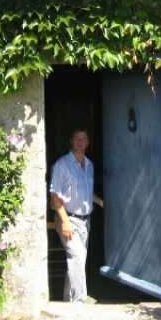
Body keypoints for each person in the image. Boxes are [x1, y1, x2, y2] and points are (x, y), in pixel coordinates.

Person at [50, 128, 103, 303]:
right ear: (71, 142)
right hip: (68, 218)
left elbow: (85, 193)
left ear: (87, 143)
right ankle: (80, 301)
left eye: (84, 138)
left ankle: (68, 300)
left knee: (77, 262)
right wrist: (64, 221)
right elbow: (55, 197)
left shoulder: (89, 166)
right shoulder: (61, 165)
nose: (81, 142)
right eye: (77, 139)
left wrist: (101, 202)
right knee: (77, 258)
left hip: (85, 221)